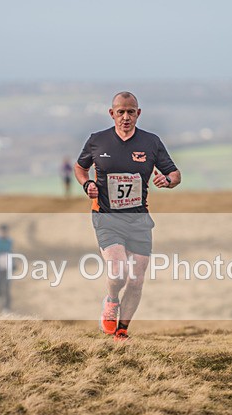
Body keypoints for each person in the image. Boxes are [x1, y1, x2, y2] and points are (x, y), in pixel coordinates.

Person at [74, 91, 181, 340]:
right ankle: (111, 301)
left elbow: (175, 174)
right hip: (106, 217)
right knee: (118, 272)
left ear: (138, 113)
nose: (125, 117)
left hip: (139, 219)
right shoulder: (97, 141)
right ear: (112, 114)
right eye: (120, 112)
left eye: (130, 112)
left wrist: (167, 180)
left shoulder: (151, 142)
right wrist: (86, 184)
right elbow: (81, 167)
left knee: (136, 280)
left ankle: (121, 330)